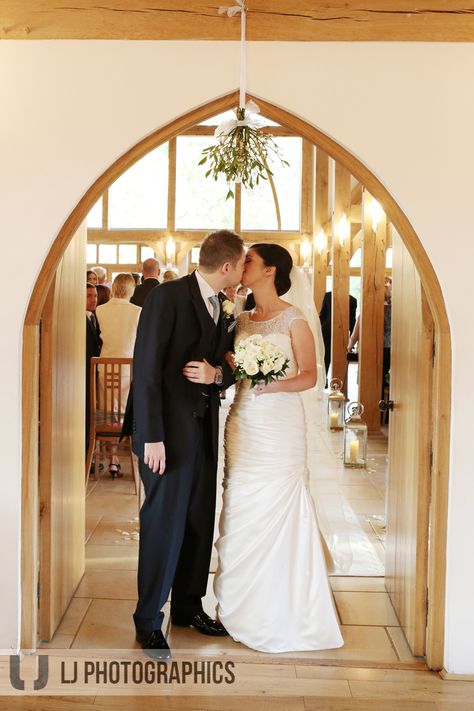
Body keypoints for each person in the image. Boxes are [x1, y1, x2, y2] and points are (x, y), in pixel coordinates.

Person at [213, 243, 343, 654]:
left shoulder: (295, 318)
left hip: (279, 427)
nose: (242, 265)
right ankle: (239, 605)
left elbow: (308, 376)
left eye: (249, 260)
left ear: (270, 271)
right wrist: (233, 367)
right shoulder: (242, 317)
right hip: (243, 421)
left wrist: (272, 383)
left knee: (278, 505)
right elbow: (232, 367)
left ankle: (284, 609)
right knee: (239, 505)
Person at [124, 229, 245, 660]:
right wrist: (151, 435)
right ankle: (148, 619)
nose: (240, 276)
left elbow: (230, 365)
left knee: (197, 519)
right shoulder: (167, 297)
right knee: (164, 525)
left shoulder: (226, 307)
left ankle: (189, 606)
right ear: (227, 266)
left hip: (204, 431)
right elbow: (148, 368)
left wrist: (218, 377)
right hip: (166, 437)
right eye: (240, 266)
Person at [96, 273, 141, 477]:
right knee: (125, 414)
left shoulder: (100, 310)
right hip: (129, 370)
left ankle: (112, 458)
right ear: (131, 289)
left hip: (104, 369)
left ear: (114, 287)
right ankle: (130, 457)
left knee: (107, 414)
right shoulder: (137, 311)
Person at [319, 291, 357, 385]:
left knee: (327, 357)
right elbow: (352, 321)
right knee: (328, 357)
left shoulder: (329, 296)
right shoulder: (352, 300)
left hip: (332, 332)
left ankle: (327, 381)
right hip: (332, 332)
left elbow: (322, 316)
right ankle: (329, 380)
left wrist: (352, 340)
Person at [85, 283, 102, 455]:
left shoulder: (94, 317)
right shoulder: (80, 319)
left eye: (95, 296)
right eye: (89, 296)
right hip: (83, 373)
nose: (93, 300)